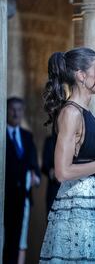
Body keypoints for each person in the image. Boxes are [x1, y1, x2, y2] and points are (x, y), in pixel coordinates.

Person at [39, 47, 95, 263]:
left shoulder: (84, 112)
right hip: (76, 206)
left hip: (91, 204)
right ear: (81, 75)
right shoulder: (70, 113)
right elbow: (62, 171)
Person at [3, 97, 40, 264]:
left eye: (19, 109)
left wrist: (35, 177)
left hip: (23, 198)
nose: (16, 113)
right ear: (6, 110)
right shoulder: (2, 134)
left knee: (19, 241)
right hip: (5, 198)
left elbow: (34, 165)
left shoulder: (27, 136)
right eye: (12, 109)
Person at [41, 134, 60, 214]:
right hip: (54, 188)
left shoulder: (74, 139)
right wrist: (50, 172)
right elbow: (44, 166)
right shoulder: (50, 140)